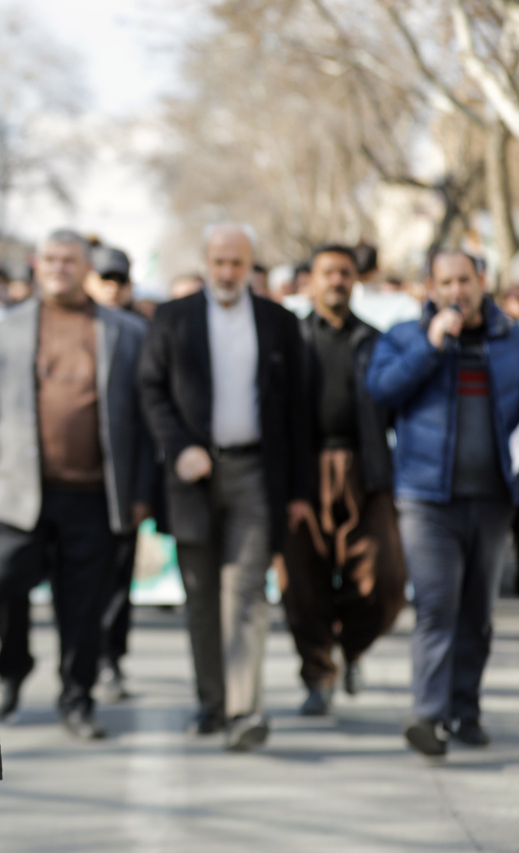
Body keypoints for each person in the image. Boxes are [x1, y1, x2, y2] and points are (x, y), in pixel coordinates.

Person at [137, 222, 310, 751]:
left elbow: (297, 408)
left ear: (251, 266)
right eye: (219, 263)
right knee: (202, 596)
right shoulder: (174, 318)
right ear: (207, 263)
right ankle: (212, 702)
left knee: (247, 593)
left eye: (238, 263)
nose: (228, 273)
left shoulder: (279, 323)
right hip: (192, 478)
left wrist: (299, 489)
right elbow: (150, 388)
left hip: (256, 475)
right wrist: (180, 445)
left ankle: (245, 710)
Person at [0, 229, 155, 739]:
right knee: (0, 584)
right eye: (50, 259)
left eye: (70, 260)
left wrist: (141, 492)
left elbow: (144, 421)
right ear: (37, 264)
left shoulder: (125, 331)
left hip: (95, 496)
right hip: (19, 493)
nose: (59, 267)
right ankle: (12, 669)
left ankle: (77, 698)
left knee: (83, 607)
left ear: (86, 268)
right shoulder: (7, 329)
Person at [366, 249, 519, 756]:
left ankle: (465, 711)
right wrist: (430, 351)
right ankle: (428, 716)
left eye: (465, 280)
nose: (457, 291)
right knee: (436, 607)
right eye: (445, 282)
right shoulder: (407, 338)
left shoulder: (511, 341)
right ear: (430, 288)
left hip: (494, 499)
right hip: (426, 499)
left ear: (483, 281)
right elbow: (382, 389)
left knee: (477, 612)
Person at [283, 245, 406, 717]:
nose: (337, 280)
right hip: (303, 472)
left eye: (345, 273)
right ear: (310, 280)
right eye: (328, 272)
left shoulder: (376, 341)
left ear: (356, 280)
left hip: (367, 470)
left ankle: (352, 648)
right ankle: (318, 676)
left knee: (386, 580)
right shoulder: (292, 339)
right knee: (302, 583)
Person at [84, 244, 152, 699]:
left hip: (120, 481)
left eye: (119, 281)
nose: (111, 288)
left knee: (115, 579)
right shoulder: (65, 326)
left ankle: (109, 660)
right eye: (104, 279)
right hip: (65, 481)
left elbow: (152, 419)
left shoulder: (141, 334)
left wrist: (143, 489)